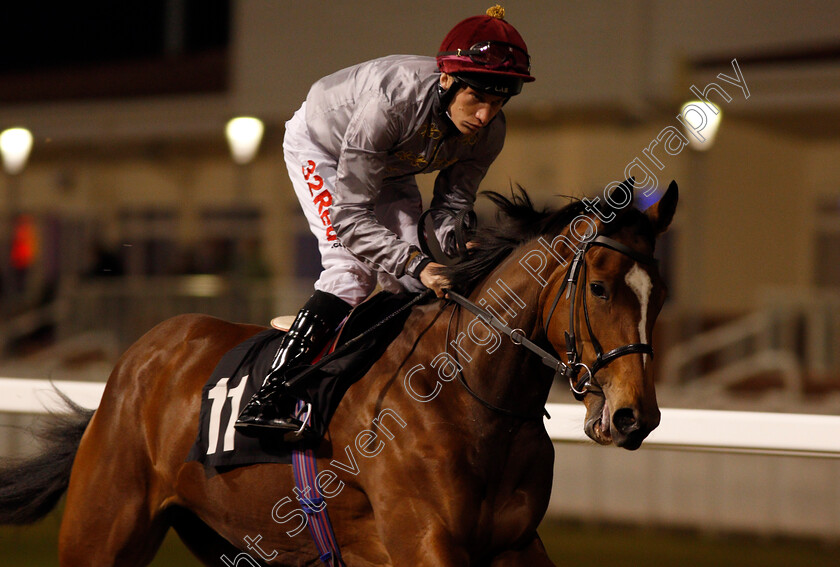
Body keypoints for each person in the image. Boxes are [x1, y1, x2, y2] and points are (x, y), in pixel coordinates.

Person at [235, 5, 534, 438]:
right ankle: (270, 395)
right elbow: (351, 216)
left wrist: (453, 248)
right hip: (324, 148)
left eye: (498, 101)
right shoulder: (391, 103)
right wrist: (417, 262)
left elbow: (450, 207)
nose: (485, 116)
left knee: (413, 284)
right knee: (352, 271)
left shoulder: (491, 132)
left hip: (390, 165)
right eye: (477, 99)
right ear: (447, 79)